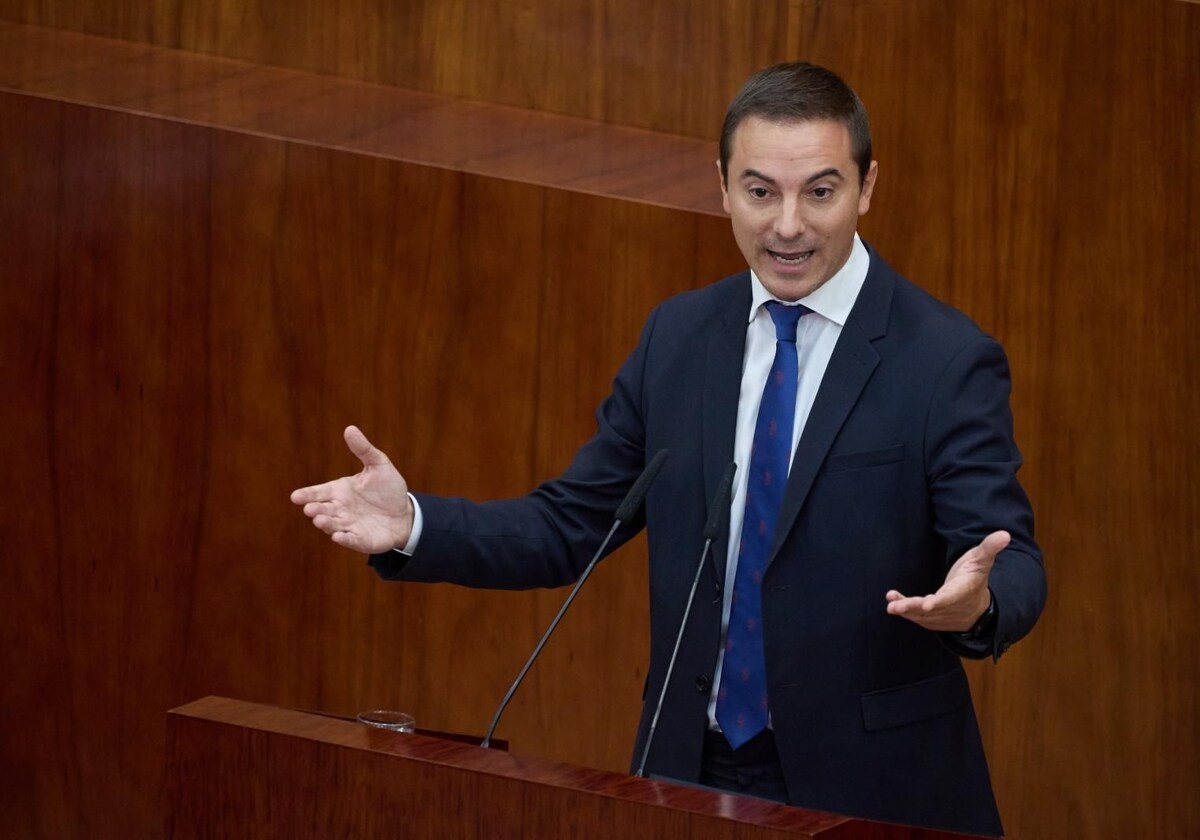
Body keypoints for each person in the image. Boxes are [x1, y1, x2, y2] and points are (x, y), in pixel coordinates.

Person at [292, 62, 1045, 836]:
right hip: (689, 771)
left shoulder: (944, 359)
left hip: (873, 787)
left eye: (820, 191)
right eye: (760, 192)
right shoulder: (679, 339)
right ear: (722, 189)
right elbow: (567, 528)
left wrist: (976, 605)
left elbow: (1012, 557)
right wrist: (413, 523)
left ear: (867, 187)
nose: (788, 224)